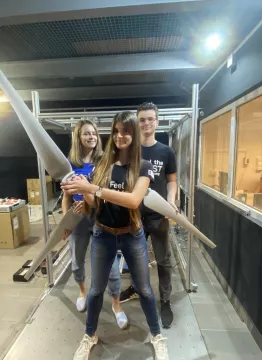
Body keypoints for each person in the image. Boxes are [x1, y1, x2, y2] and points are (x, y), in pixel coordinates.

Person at [62, 112, 169, 360]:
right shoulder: (102, 164)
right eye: (116, 131)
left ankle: (157, 336)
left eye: (126, 131)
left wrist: (93, 188)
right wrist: (80, 187)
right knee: (96, 290)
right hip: (103, 234)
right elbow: (95, 204)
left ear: (134, 134)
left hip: (132, 235)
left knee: (144, 289)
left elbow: (133, 201)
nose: (120, 136)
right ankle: (90, 335)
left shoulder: (142, 167)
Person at [61, 119, 127, 330]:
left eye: (94, 134)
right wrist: (66, 221)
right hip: (78, 219)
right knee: (77, 260)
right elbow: (66, 197)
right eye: (86, 134)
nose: (91, 137)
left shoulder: (103, 162)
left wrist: (89, 204)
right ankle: (82, 291)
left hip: (99, 216)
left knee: (110, 266)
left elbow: (103, 193)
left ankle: (116, 305)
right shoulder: (69, 165)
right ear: (78, 138)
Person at [119, 102, 177, 329]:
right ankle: (135, 287)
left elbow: (172, 181)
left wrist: (171, 202)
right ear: (137, 122)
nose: (146, 123)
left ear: (157, 121)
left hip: (159, 216)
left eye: (150, 119)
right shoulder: (130, 151)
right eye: (142, 119)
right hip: (134, 216)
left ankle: (165, 301)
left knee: (163, 261)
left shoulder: (166, 151)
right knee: (135, 258)